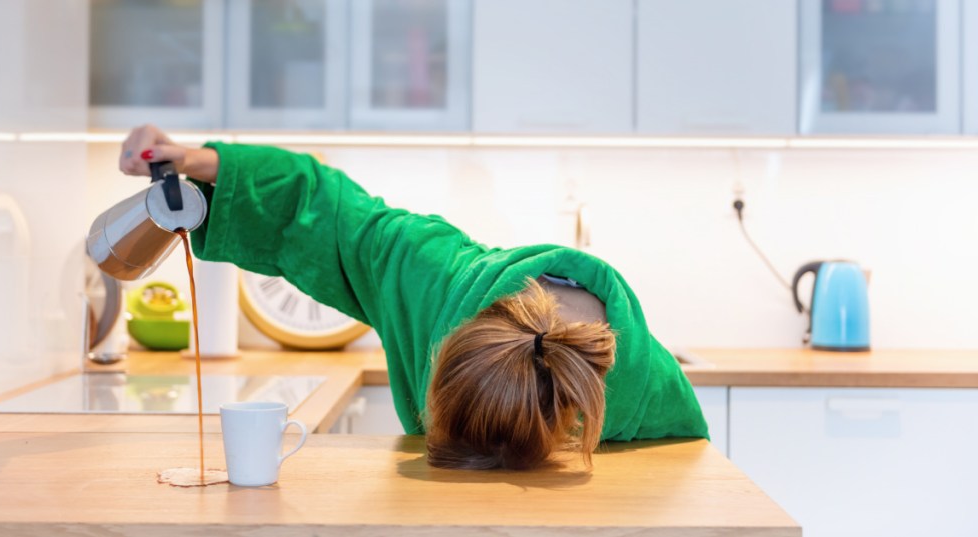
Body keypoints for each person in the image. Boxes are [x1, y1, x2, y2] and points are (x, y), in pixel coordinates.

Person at [119, 125, 708, 471]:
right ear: (443, 343)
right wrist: (201, 163)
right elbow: (326, 209)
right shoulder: (430, 278)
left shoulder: (645, 391)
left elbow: (683, 483)